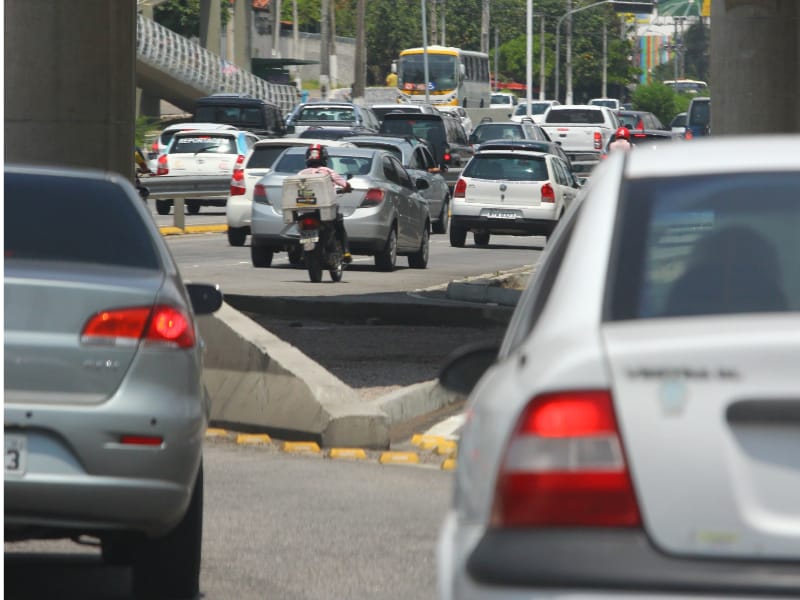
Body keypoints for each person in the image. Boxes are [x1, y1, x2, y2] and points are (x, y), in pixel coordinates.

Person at [298, 143, 353, 263]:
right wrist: (347, 187)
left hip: (306, 208)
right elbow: (344, 184)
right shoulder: (328, 171)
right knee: (339, 224)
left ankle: (302, 252)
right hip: (326, 208)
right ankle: (346, 252)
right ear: (324, 158)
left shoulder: (302, 173)